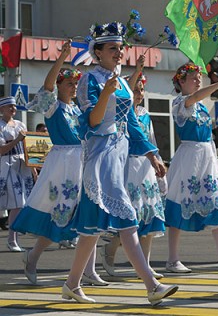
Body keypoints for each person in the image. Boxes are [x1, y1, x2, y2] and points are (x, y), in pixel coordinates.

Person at [63, 21, 177, 305]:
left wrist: (152, 154)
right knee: (126, 219)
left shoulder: (123, 81)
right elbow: (92, 121)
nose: (119, 52)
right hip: (100, 157)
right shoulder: (90, 80)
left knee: (91, 230)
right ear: (97, 52)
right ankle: (151, 285)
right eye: (113, 48)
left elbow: (133, 124)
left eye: (121, 47)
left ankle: (71, 285)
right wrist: (104, 94)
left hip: (119, 157)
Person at [12, 41, 103, 286]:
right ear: (60, 85)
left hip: (82, 163)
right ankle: (32, 257)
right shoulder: (53, 107)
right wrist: (62, 59)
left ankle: (89, 270)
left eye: (76, 83)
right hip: (62, 165)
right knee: (57, 216)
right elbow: (47, 86)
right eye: (69, 83)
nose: (74, 87)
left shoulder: (78, 110)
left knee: (87, 216)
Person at [164, 62, 218, 274]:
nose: (198, 80)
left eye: (199, 77)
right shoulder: (180, 102)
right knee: (179, 203)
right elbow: (193, 98)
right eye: (193, 77)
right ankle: (172, 259)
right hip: (189, 158)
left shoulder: (201, 107)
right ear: (181, 81)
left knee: (217, 202)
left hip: (207, 157)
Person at [102, 56, 167, 279]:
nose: (139, 94)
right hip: (128, 166)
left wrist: (158, 162)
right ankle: (109, 251)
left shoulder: (145, 115)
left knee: (151, 216)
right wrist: (137, 70)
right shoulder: (122, 115)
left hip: (146, 166)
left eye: (141, 90)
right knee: (131, 217)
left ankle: (145, 266)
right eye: (135, 89)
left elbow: (151, 140)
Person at [0, 96, 34, 253]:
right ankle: (12, 239)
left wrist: (34, 170)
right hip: (7, 165)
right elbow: (2, 150)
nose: (13, 109)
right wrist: (18, 139)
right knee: (17, 204)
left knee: (21, 203)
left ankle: (13, 238)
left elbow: (28, 148)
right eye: (9, 107)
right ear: (2, 109)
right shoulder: (1, 126)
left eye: (14, 106)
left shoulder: (20, 124)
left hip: (22, 165)